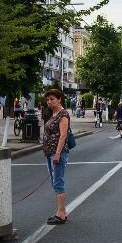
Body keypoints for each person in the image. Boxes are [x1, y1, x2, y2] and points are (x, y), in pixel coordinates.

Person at [42, 89, 70, 225]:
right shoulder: (54, 114)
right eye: (47, 100)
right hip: (50, 152)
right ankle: (63, 212)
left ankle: (60, 213)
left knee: (58, 182)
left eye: (52, 99)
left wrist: (57, 154)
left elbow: (63, 135)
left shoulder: (63, 114)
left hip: (57, 153)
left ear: (59, 99)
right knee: (55, 182)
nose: (49, 102)